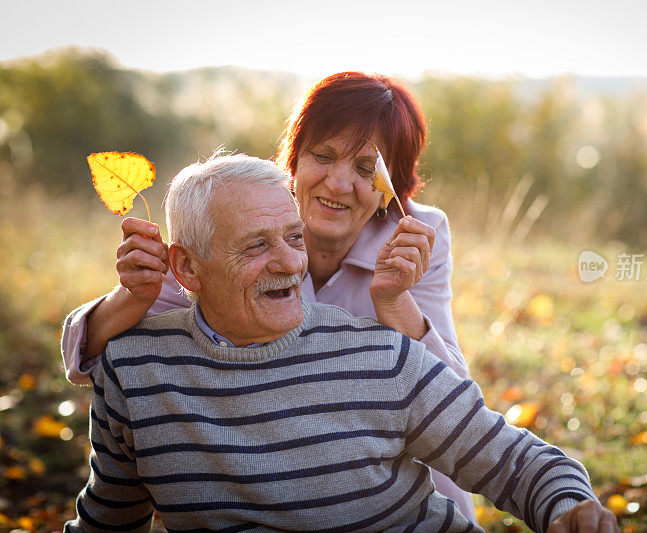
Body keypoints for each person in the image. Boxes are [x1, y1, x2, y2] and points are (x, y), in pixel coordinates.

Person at [65, 154, 618, 532]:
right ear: (186, 266)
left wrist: (567, 506)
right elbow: (109, 519)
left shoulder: (381, 356)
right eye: (255, 246)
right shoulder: (133, 372)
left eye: (294, 237)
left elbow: (511, 460)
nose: (288, 263)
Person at [62, 72, 475, 516]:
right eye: (323, 155)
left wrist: (395, 302)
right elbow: (81, 360)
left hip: (394, 488)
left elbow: (456, 400)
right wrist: (134, 297)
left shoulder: (417, 235)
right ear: (292, 161)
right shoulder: (237, 221)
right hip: (268, 486)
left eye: (365, 168)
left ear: (392, 189)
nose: (337, 183)